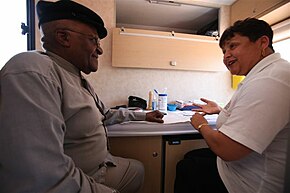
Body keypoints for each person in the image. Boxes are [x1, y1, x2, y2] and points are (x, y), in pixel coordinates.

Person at [0, 1, 164, 193]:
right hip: (81, 178)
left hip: (103, 166)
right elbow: (43, 178)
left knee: (138, 170)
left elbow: (105, 115)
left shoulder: (78, 78)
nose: (100, 50)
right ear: (63, 37)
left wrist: (144, 116)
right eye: (93, 40)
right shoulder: (33, 70)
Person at [174, 18, 290, 193]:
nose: (226, 55)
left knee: (187, 167)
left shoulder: (269, 80)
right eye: (224, 51)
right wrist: (220, 110)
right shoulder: (265, 74)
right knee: (191, 157)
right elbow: (256, 118)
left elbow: (227, 149)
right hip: (238, 169)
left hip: (246, 184)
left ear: (262, 43)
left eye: (233, 46)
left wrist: (200, 124)